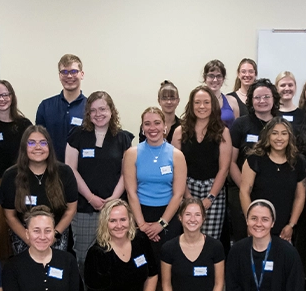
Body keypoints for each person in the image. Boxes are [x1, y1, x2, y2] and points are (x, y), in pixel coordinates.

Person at [66, 90, 133, 265]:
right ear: (88, 113)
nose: (98, 114)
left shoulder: (123, 138)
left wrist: (112, 201)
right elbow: (70, 169)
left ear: (111, 110)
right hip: (84, 208)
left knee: (114, 254)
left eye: (102, 109)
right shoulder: (77, 136)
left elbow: (127, 173)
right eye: (93, 110)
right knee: (84, 256)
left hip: (115, 209)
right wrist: (90, 197)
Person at [1, 126, 78, 255]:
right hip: (24, 238)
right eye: (31, 143)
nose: (38, 147)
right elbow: (9, 215)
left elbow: (71, 209)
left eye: (43, 143)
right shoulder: (11, 175)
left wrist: (54, 235)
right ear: (24, 147)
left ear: (50, 147)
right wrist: (29, 239)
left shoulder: (64, 172)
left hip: (56, 236)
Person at [172, 86, 231, 241]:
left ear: (213, 105)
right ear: (191, 106)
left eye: (206, 102)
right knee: (186, 238)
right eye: (197, 102)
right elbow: (175, 168)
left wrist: (210, 197)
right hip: (185, 187)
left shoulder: (222, 131)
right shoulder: (180, 131)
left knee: (209, 241)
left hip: (214, 191)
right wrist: (187, 195)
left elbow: (224, 169)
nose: (202, 106)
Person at [123, 107, 186, 246]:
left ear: (164, 126)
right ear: (142, 128)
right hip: (140, 213)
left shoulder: (177, 155)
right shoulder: (131, 154)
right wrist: (142, 225)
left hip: (169, 215)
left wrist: (161, 224)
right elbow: (131, 192)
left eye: (157, 123)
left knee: (166, 261)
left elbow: (178, 195)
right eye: (147, 124)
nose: (152, 128)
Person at [227, 80, 278, 243]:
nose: (262, 101)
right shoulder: (240, 124)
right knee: (244, 237)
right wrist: (245, 187)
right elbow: (231, 161)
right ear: (250, 100)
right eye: (257, 97)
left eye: (266, 97)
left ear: (273, 98)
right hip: (242, 190)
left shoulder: (281, 124)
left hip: (272, 191)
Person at [241, 118, 306, 240]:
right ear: (267, 136)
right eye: (274, 133)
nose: (279, 138)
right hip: (258, 225)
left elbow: (300, 196)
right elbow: (244, 192)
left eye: (284, 133)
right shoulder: (255, 159)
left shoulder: (298, 161)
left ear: (290, 136)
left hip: (285, 225)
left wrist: (291, 225)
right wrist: (251, 222)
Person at [35, 53, 87, 160]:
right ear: (59, 75)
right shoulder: (45, 106)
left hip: (82, 171)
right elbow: (39, 140)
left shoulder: (91, 107)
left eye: (73, 71)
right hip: (51, 169)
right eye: (64, 72)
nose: (69, 76)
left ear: (82, 74)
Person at [203, 60, 235, 124]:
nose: (215, 80)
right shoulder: (197, 101)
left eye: (219, 76)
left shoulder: (232, 101)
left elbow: (237, 129)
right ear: (205, 78)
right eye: (211, 76)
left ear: (223, 79)